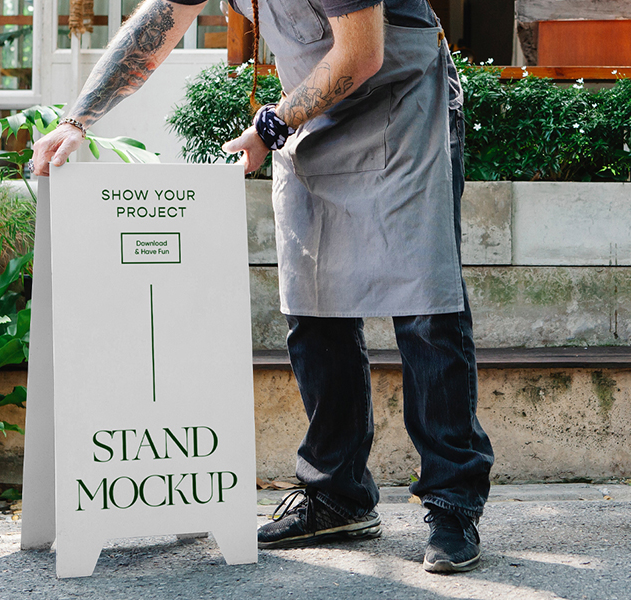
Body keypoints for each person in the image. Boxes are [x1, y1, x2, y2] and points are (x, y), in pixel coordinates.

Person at [31, 0, 494, 574]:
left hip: (402, 99)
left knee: (426, 304)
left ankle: (452, 503)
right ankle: (336, 494)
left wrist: (271, 124)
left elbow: (361, 53)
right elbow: (157, 27)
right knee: (312, 302)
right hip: (314, 108)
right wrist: (77, 121)